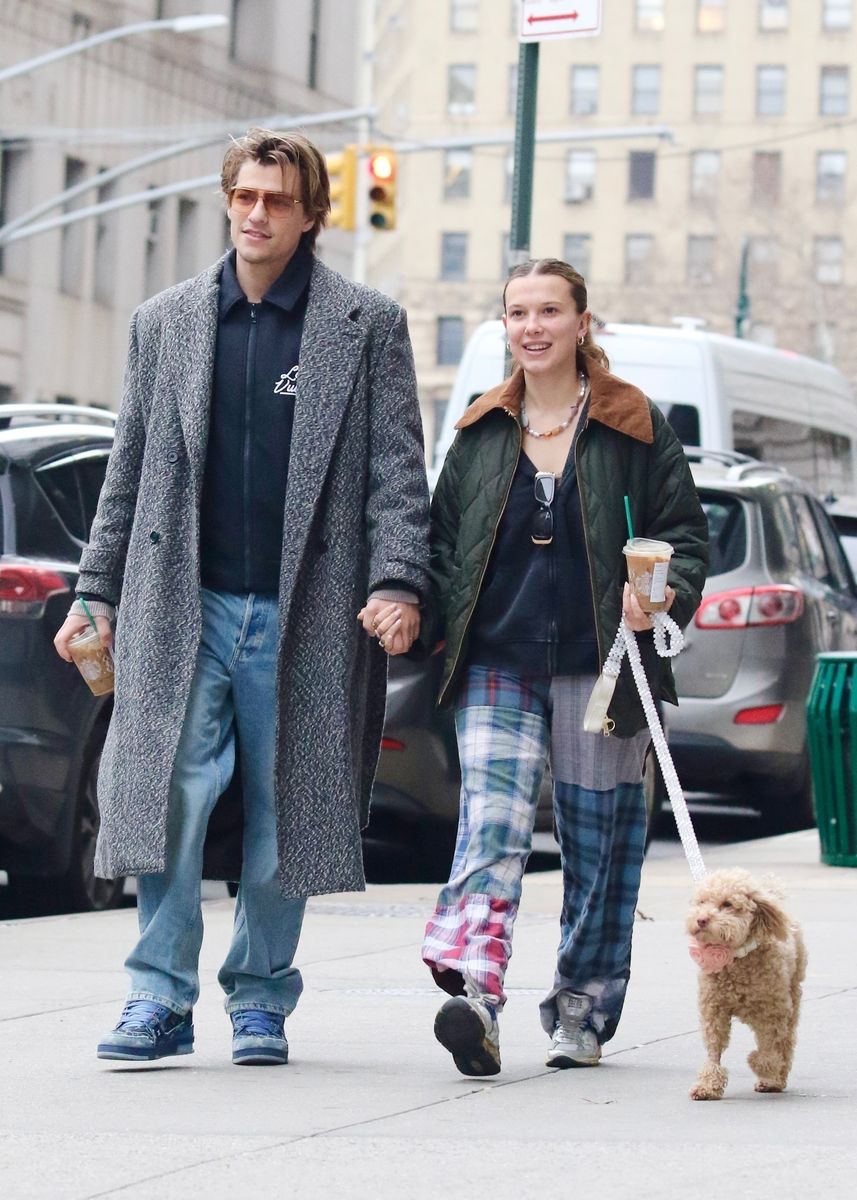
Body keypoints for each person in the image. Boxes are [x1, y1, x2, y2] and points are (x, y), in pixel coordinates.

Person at [53, 128, 429, 1066]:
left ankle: (260, 998)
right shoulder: (167, 321)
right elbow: (128, 470)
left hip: (308, 611)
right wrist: (94, 591)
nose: (257, 214)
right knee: (166, 797)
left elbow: (396, 472)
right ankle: (157, 999)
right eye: (245, 196)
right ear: (229, 200)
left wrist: (397, 578)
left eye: (277, 200)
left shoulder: (365, 324)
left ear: (310, 216)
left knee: (284, 801)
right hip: (183, 605)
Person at [420, 257, 708, 1077]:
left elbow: (684, 535)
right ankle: (475, 994)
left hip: (604, 662)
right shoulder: (478, 432)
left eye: (549, 310)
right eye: (517, 312)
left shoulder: (634, 423)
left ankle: (580, 1008)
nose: (532, 326)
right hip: (496, 661)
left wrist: (661, 591)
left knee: (599, 841)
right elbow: (444, 545)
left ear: (583, 323)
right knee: (491, 825)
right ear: (505, 326)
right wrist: (424, 613)